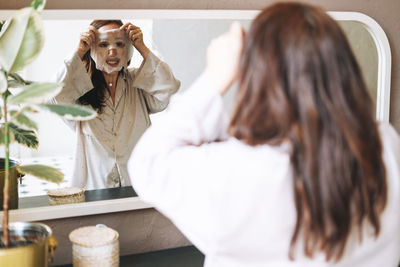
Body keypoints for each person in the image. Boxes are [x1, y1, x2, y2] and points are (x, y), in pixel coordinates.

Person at [127, 2, 400, 267]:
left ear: (256, 78)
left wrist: (214, 78)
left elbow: (146, 163)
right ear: (342, 71)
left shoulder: (234, 176)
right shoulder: (385, 146)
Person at [53, 20, 180, 190]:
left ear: (127, 50)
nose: (112, 51)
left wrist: (141, 47)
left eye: (119, 44)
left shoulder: (139, 82)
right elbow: (54, 96)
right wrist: (80, 51)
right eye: (103, 44)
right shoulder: (79, 89)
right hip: (94, 189)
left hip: (140, 186)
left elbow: (169, 88)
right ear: (93, 49)